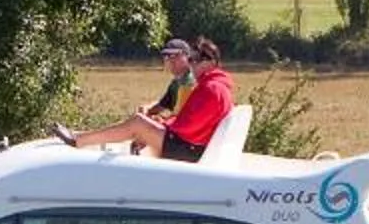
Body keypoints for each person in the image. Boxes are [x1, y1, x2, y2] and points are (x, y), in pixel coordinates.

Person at [52, 39, 234, 160]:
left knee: (139, 123)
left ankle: (79, 140)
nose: (191, 64)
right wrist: (160, 123)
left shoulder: (211, 89)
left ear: (209, 63)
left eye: (195, 60)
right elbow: (186, 121)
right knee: (141, 123)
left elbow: (187, 127)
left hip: (188, 150)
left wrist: (161, 125)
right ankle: (83, 137)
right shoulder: (214, 85)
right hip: (190, 146)